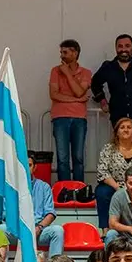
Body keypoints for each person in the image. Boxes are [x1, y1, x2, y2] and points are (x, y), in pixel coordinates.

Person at [96, 118, 132, 230]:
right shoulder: (108, 149)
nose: (126, 130)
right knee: (101, 192)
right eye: (122, 127)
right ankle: (105, 229)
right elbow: (102, 171)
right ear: (117, 132)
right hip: (114, 184)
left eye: (129, 127)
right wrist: (118, 187)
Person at [50, 40, 92, 183]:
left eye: (65, 52)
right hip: (60, 117)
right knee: (62, 158)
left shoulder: (86, 73)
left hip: (79, 118)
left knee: (78, 157)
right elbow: (54, 94)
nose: (62, 56)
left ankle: (79, 189)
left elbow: (79, 91)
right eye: (61, 52)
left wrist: (67, 73)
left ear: (75, 53)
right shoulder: (55, 71)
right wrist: (77, 101)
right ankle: (64, 189)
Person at [32, 175, 65, 257]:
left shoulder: (44, 187)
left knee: (58, 231)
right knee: (1, 229)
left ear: (34, 167)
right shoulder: (12, 186)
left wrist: (39, 227)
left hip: (39, 230)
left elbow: (50, 214)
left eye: (30, 165)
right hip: (18, 231)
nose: (27, 168)